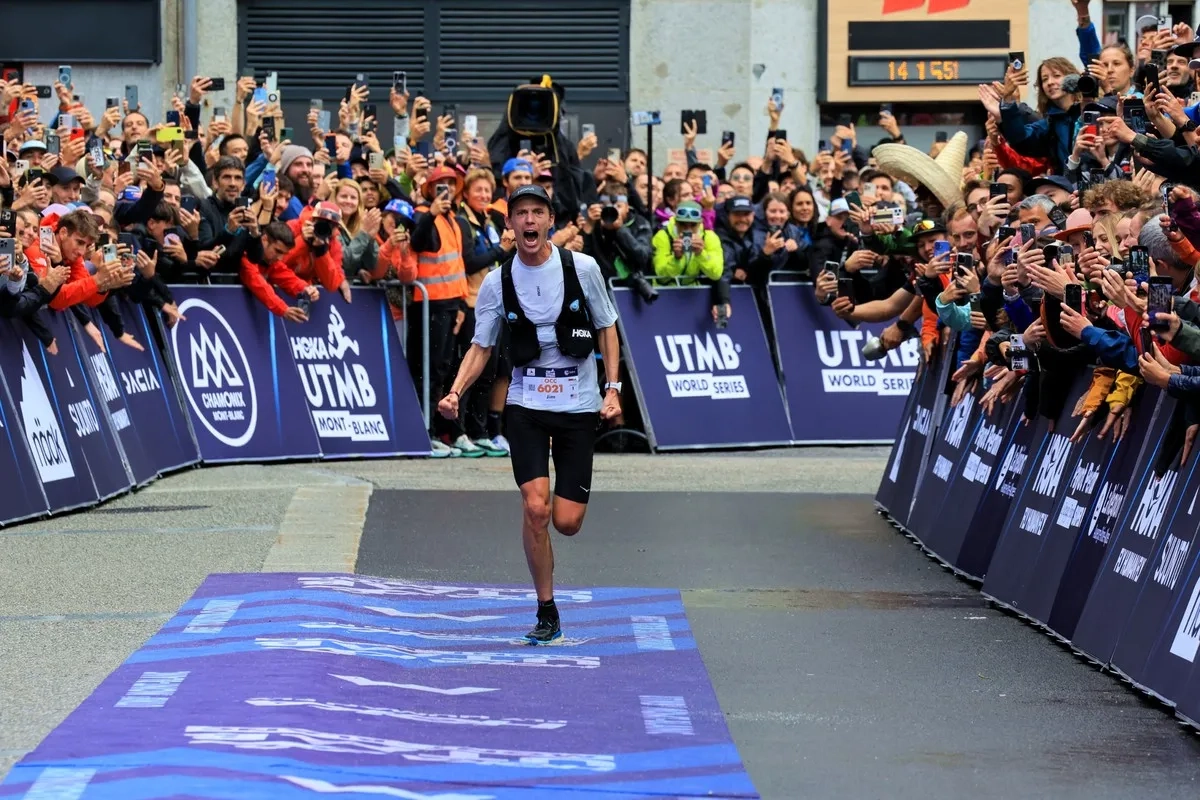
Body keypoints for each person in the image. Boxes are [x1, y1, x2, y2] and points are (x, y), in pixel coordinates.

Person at [436, 184, 621, 644]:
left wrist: (612, 389)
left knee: (566, 522)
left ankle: (549, 528)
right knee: (535, 509)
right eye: (521, 213)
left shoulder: (583, 268)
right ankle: (546, 609)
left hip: (578, 404)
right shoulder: (498, 282)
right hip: (526, 406)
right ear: (511, 225)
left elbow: (607, 326)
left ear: (550, 221)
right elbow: (481, 346)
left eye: (538, 212)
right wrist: (455, 392)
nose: (529, 220)